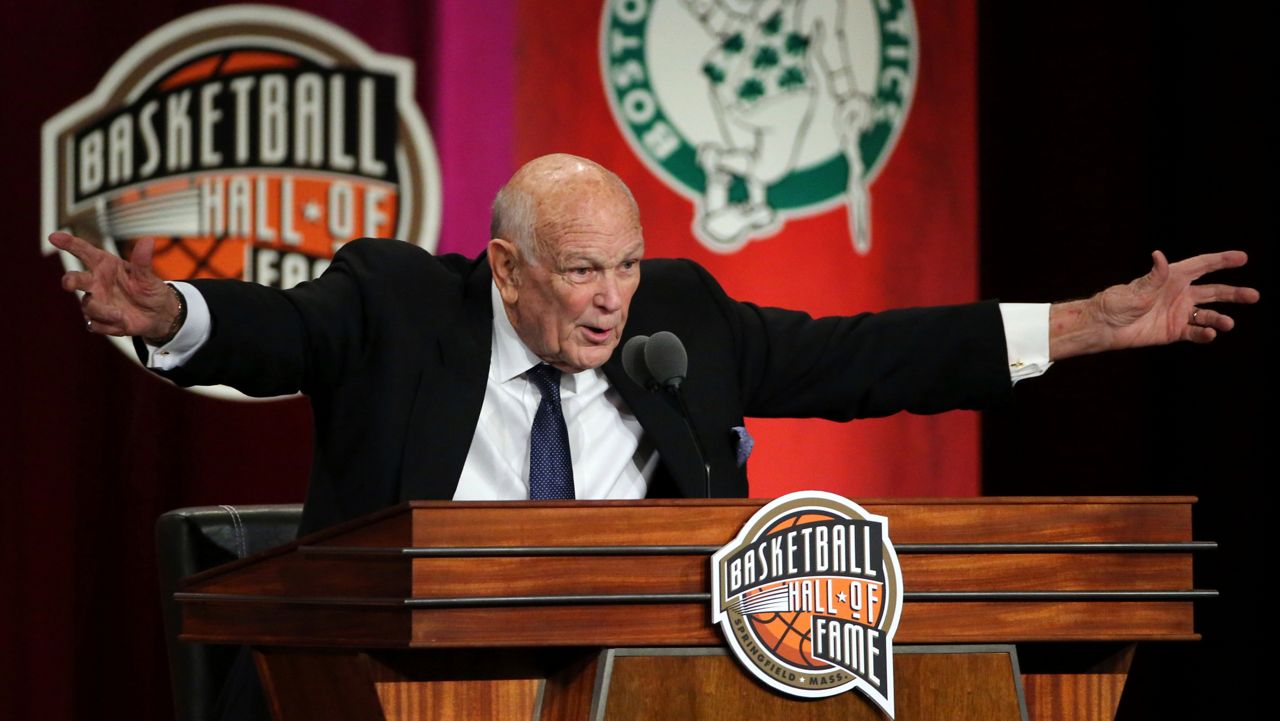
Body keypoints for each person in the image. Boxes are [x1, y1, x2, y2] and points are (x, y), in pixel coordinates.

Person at [52, 153, 1258, 534]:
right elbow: (280, 335)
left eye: (624, 266)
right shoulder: (401, 303)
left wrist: (1091, 324)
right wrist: (170, 316)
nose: (610, 300)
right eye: (581, 271)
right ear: (509, 266)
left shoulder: (677, 315)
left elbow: (865, 356)